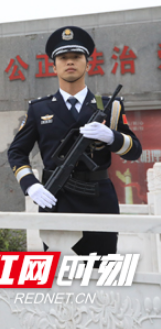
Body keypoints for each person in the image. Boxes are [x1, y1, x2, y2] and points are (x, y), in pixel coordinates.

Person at [8, 26, 141, 256]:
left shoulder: (109, 106)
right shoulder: (39, 109)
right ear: (54, 66)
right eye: (63, 58)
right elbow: (17, 152)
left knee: (102, 271)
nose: (70, 62)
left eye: (77, 57)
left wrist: (112, 137)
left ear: (88, 64)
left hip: (99, 200)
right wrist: (31, 184)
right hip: (55, 198)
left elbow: (134, 150)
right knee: (59, 275)